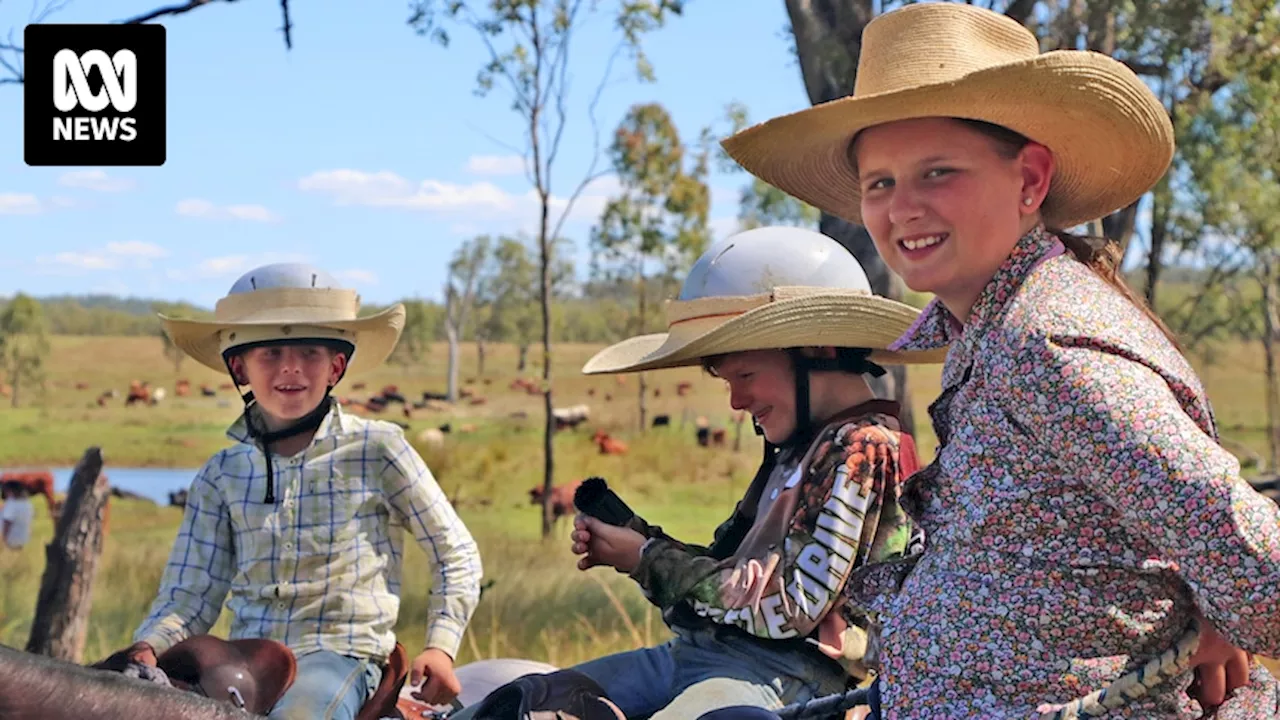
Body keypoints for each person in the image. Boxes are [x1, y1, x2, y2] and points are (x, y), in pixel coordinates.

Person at [719, 3, 1280, 718]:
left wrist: (1223, 613)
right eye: (880, 183)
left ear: (1029, 180)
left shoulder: (1047, 344)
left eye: (938, 172)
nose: (902, 208)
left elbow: (1260, 567)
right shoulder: (998, 328)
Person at [453, 225, 945, 719]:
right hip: (697, 654)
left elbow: (791, 608)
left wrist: (649, 557)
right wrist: (637, 546)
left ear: (817, 350)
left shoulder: (864, 448)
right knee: (518, 703)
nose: (735, 400)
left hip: (782, 677)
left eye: (745, 375)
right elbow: (727, 573)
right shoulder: (798, 448)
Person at [109, 263, 484, 720]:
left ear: (336, 366)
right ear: (238, 367)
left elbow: (455, 551)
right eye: (269, 353)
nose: (290, 367)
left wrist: (441, 646)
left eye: (309, 351)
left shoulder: (378, 449)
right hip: (245, 661)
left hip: (341, 656)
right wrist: (148, 647)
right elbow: (189, 594)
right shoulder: (221, 475)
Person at [1, 480, 34, 550]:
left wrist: (3, 540)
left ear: (10, 491)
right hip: (23, 539)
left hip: (10, 540)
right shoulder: (28, 504)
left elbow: (7, 523)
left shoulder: (11, 503)